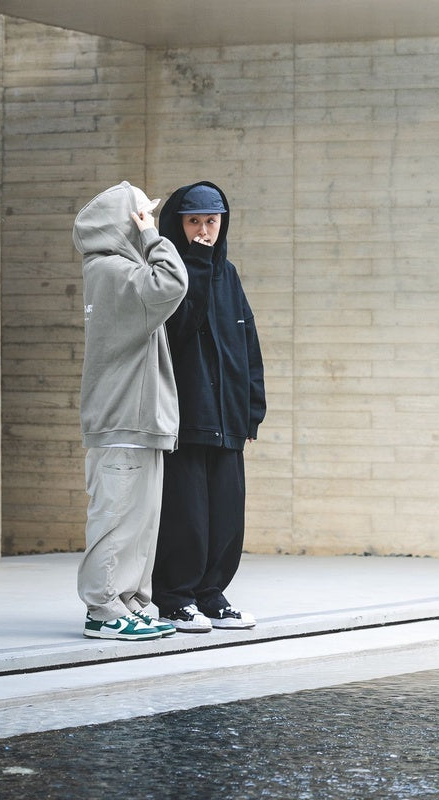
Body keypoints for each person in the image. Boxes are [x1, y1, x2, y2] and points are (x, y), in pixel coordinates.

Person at [72, 181, 189, 640]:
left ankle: (129, 603)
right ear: (128, 222)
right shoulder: (112, 272)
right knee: (116, 522)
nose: (148, 222)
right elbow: (173, 283)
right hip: (122, 420)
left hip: (135, 421)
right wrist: (152, 236)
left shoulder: (120, 271)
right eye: (142, 215)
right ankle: (103, 610)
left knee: (139, 526)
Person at [152, 181, 267, 632]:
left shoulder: (229, 274)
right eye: (194, 221)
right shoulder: (168, 272)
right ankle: (174, 598)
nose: (203, 230)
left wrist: (251, 410)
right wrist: (196, 266)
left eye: (211, 221)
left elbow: (247, 343)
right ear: (178, 224)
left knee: (226, 517)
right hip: (185, 416)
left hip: (228, 416)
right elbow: (178, 330)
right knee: (187, 517)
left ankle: (211, 595)